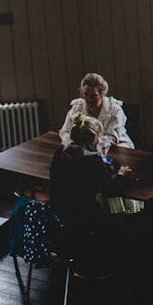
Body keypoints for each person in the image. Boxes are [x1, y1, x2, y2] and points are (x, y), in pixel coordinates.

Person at [49, 114, 142, 275]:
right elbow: (111, 189)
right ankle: (104, 264)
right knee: (118, 220)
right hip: (83, 216)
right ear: (93, 138)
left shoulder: (61, 151)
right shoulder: (91, 159)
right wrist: (122, 174)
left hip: (59, 211)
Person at [59, 72, 134, 152]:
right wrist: (73, 142)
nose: (89, 99)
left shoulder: (115, 110)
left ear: (101, 94)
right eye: (86, 95)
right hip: (84, 148)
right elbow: (65, 131)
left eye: (93, 96)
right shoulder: (77, 107)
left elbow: (113, 138)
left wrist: (93, 143)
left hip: (117, 146)